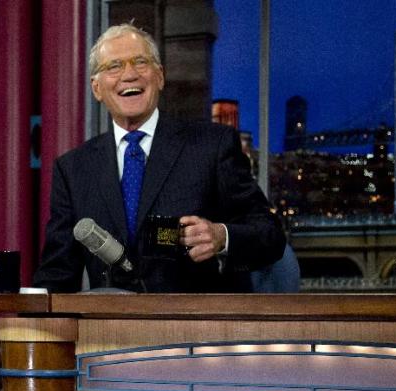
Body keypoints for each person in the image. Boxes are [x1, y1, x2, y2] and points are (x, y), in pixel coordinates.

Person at [33, 23, 286, 293]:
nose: (129, 74)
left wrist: (221, 236)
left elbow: (269, 235)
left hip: (199, 327)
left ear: (160, 77)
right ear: (96, 88)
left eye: (140, 62)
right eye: (114, 66)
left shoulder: (212, 146)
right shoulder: (73, 169)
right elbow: (57, 273)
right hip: (109, 329)